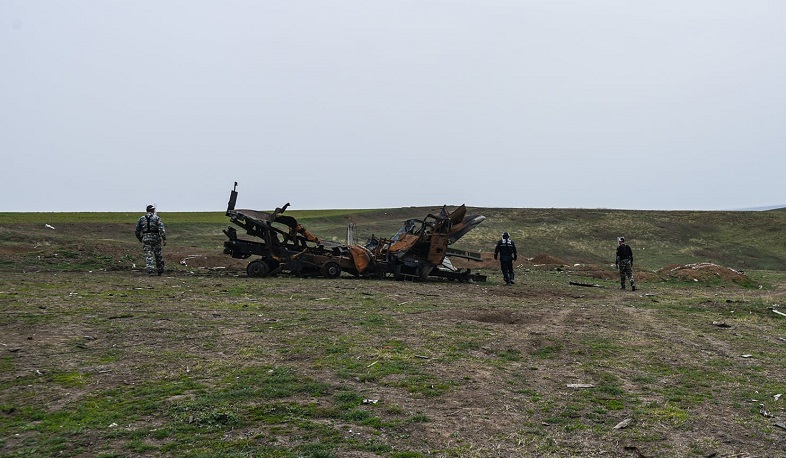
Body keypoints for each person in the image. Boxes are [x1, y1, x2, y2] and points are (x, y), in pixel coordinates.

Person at [135, 204, 167, 276]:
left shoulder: (142, 219)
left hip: (146, 238)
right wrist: (164, 239)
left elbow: (137, 230)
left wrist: (140, 238)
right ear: (152, 210)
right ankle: (160, 270)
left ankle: (150, 270)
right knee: (158, 254)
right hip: (155, 238)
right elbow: (161, 229)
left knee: (148, 255)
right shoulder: (157, 218)